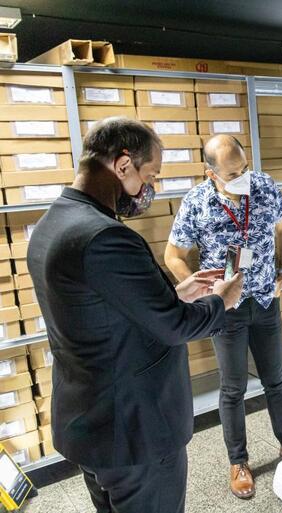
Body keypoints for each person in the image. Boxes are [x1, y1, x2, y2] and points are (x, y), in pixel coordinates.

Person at [27, 117, 243, 513]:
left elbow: (104, 309)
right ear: (123, 164)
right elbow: (174, 327)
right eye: (150, 175)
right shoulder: (107, 236)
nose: (150, 188)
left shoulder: (51, 224)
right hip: (134, 432)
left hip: (92, 425)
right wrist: (221, 301)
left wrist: (175, 293)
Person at [165, 134, 282, 499]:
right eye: (233, 173)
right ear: (211, 174)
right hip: (226, 312)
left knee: (276, 380)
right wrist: (204, 290)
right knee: (233, 388)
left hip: (265, 301)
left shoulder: (264, 186)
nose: (243, 178)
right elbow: (173, 255)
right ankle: (238, 462)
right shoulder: (197, 202)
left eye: (245, 168)